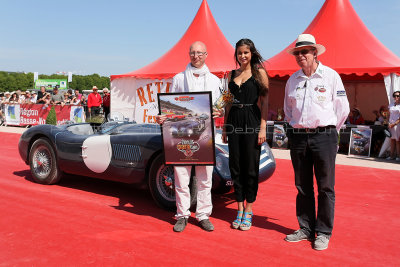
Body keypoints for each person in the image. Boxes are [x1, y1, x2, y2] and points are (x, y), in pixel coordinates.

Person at [283, 34, 349, 250]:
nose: (301, 56)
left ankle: (323, 231)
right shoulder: (292, 80)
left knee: (325, 187)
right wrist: (294, 130)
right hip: (299, 137)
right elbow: (288, 110)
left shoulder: (331, 76)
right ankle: (305, 228)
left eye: (305, 52)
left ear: (315, 53)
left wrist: (331, 131)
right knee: (302, 186)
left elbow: (342, 109)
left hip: (324, 136)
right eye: (298, 53)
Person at [156, 41, 223, 232]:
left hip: (205, 134)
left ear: (206, 54)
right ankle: (182, 214)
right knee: (181, 176)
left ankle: (203, 215)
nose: (196, 56)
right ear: (188, 54)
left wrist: (220, 112)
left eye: (200, 53)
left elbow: (219, 105)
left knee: (204, 178)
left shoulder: (215, 80)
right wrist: (162, 116)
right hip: (181, 133)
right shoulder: (178, 78)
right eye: (193, 52)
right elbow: (170, 106)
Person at [222, 38, 268, 231]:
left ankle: (249, 208)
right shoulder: (231, 74)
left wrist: (263, 128)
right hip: (233, 120)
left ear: (252, 53)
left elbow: (265, 103)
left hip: (252, 119)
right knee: (235, 165)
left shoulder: (260, 73)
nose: (242, 56)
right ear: (236, 54)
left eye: (246, 52)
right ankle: (239, 207)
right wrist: (225, 126)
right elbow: (227, 102)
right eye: (239, 53)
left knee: (250, 166)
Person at [387, 91, 400, 161]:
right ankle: (391, 156)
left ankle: (398, 156)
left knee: (397, 140)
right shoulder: (391, 105)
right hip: (390, 124)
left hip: (397, 125)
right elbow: (388, 114)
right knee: (392, 139)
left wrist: (394, 124)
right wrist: (388, 122)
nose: (396, 97)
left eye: (398, 96)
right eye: (395, 96)